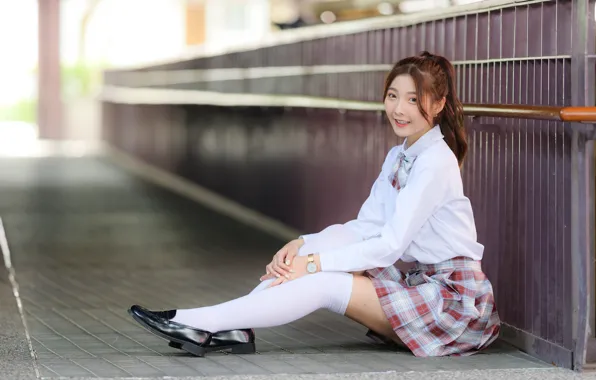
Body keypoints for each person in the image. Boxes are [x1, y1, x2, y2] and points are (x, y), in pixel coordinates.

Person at [128, 51, 501, 358]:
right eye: (393, 95)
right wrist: (305, 245)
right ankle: (231, 327)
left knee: (323, 281)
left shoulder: (435, 161)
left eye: (413, 99)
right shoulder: (400, 154)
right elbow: (364, 227)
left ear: (437, 104)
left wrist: (313, 263)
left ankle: (202, 321)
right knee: (324, 249)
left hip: (454, 304)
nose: (399, 109)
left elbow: (390, 245)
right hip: (422, 285)